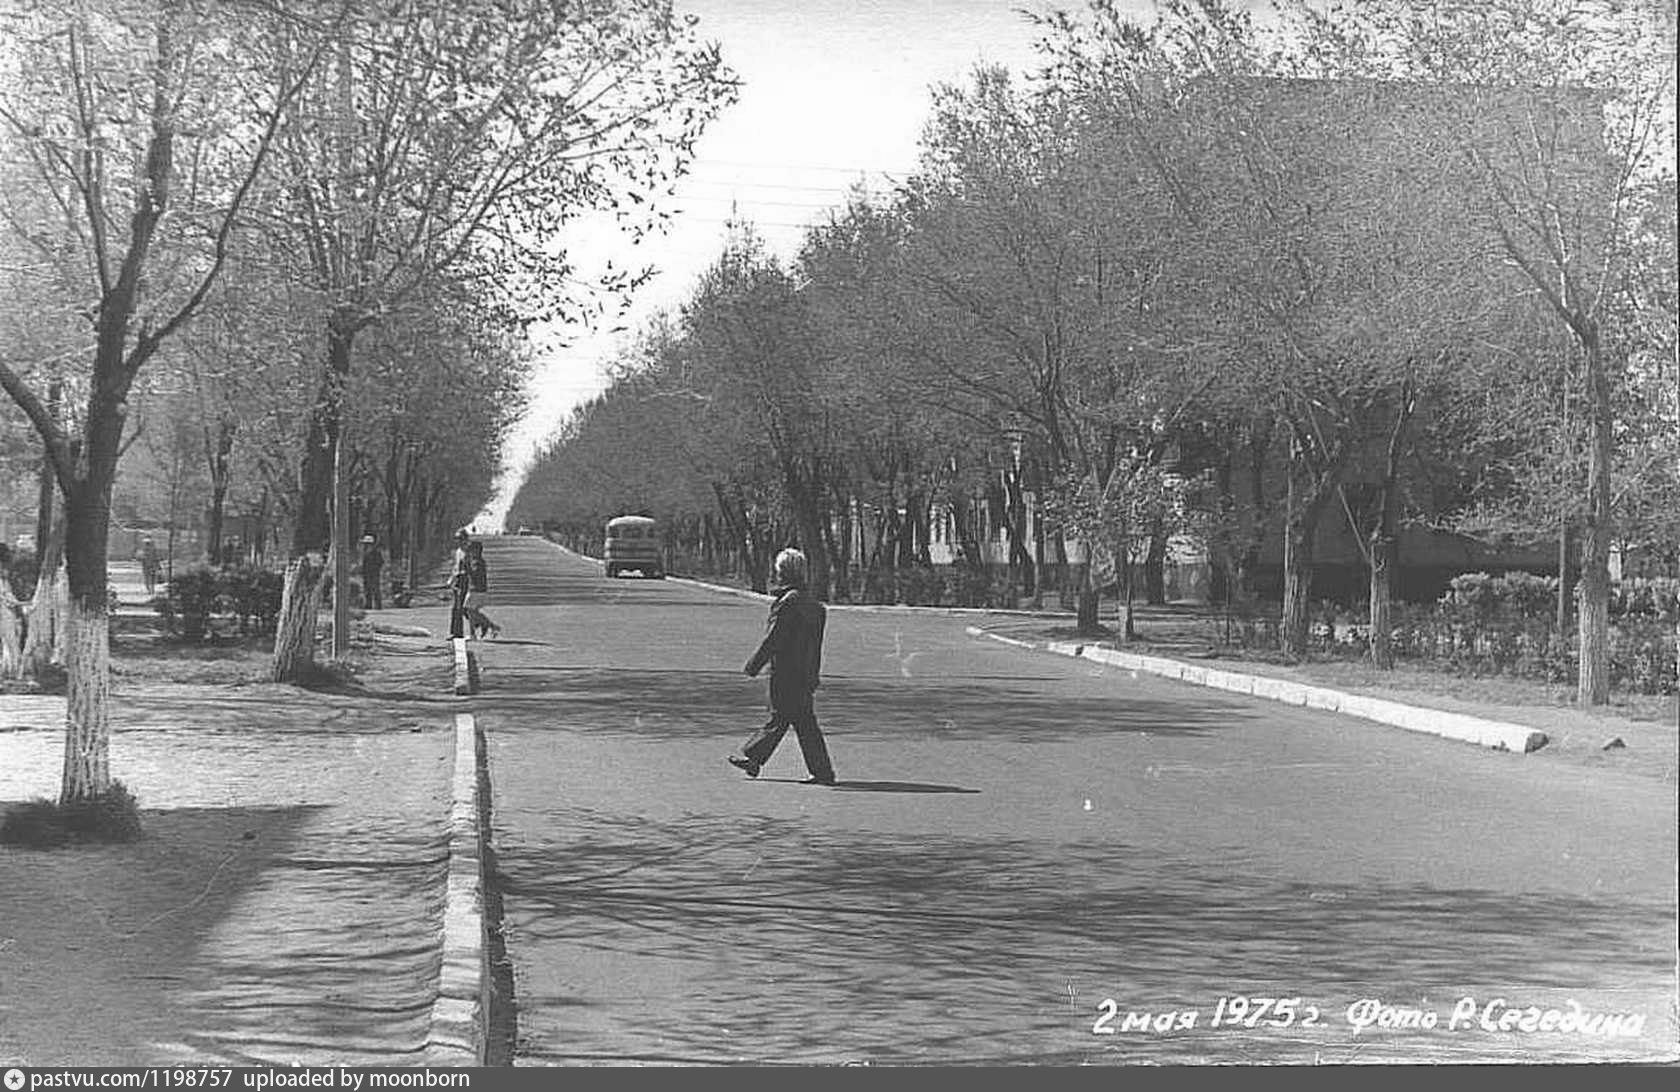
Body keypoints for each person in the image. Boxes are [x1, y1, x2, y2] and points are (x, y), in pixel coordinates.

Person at [728, 547, 837, 786]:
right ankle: (819, 771)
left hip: (786, 671)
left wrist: (754, 665)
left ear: (783, 573)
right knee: (801, 720)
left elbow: (774, 639)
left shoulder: (788, 603)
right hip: (806, 672)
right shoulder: (815, 606)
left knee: (784, 717)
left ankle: (755, 758)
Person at [462, 539, 500, 639]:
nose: (469, 552)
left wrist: (466, 568)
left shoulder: (477, 562)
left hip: (477, 590)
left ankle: (490, 626)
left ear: (477, 551)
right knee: (471, 612)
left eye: (471, 550)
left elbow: (475, 574)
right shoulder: (477, 561)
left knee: (469, 611)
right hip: (477, 589)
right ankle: (475, 632)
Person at [359, 534, 386, 611]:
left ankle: (378, 606)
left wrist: (375, 569)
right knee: (367, 589)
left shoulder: (376, 552)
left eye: (367, 544)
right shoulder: (365, 553)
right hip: (366, 573)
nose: (366, 545)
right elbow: (364, 563)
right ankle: (368, 605)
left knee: (375, 589)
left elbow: (381, 562)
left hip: (374, 573)